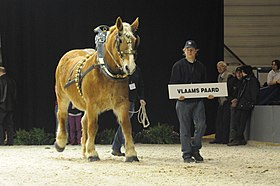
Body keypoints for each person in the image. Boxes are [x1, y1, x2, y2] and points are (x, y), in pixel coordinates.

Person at [169, 40, 213, 163]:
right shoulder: (178, 66)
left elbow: (205, 84)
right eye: (187, 49)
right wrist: (178, 95)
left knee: (201, 125)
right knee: (185, 128)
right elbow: (173, 84)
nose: (190, 51)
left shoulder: (201, 67)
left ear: (196, 52)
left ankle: (195, 148)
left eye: (192, 49)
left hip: (198, 101)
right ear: (184, 51)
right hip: (183, 102)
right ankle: (187, 154)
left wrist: (208, 94)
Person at [111, 66, 146, 156]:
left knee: (124, 123)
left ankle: (116, 147)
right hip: (122, 100)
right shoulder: (120, 69)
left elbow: (140, 84)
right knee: (124, 122)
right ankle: (123, 145)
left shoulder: (137, 69)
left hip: (131, 99)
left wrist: (141, 98)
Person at [228, 65, 260, 146]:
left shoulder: (252, 81)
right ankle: (240, 139)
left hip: (246, 104)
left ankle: (238, 139)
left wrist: (251, 102)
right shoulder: (244, 80)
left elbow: (254, 93)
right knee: (237, 121)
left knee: (241, 122)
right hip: (241, 103)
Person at [210, 61, 233, 144]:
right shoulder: (219, 76)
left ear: (225, 67)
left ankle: (225, 139)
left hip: (226, 101)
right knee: (219, 121)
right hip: (220, 101)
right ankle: (218, 138)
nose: (219, 69)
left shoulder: (230, 76)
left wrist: (229, 99)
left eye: (221, 67)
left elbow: (230, 89)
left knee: (225, 121)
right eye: (218, 67)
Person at [0, 67, 16, 146]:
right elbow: (14, 94)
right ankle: (10, 141)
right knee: (10, 124)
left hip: (1, 106)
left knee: (0, 124)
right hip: (11, 106)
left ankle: (1, 141)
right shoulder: (12, 81)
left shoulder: (0, 81)